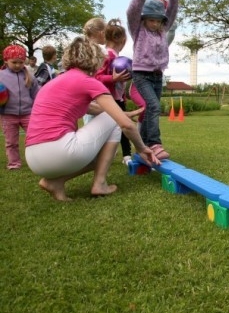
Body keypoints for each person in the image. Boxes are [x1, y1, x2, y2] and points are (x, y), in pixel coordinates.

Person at [24, 36, 160, 202]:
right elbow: (125, 125)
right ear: (96, 60)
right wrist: (141, 148)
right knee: (114, 124)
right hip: (59, 152)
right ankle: (100, 183)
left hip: (33, 157)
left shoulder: (57, 82)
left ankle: (56, 182)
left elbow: (95, 109)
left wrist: (126, 114)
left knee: (106, 141)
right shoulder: (88, 81)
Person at [127, 0, 179, 160]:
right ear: (144, 20)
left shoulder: (162, 31)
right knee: (154, 107)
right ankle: (155, 144)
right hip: (141, 75)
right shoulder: (138, 30)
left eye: (158, 21)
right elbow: (132, 12)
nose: (155, 23)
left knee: (151, 110)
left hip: (158, 76)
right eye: (151, 20)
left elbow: (172, 11)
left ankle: (142, 146)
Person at [94, 19, 133, 165]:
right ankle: (105, 153)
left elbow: (120, 82)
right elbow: (96, 77)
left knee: (124, 125)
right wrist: (113, 78)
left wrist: (123, 96)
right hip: (108, 99)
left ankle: (127, 155)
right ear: (120, 39)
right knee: (117, 125)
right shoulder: (107, 55)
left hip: (117, 98)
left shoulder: (118, 57)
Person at [0, 45, 40, 170]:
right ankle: (14, 163)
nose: (18, 65)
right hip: (7, 114)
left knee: (35, 138)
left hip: (28, 113)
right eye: (14, 62)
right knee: (11, 141)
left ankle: (38, 160)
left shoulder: (30, 76)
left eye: (21, 62)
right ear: (6, 60)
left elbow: (37, 94)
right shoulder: (1, 76)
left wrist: (38, 108)